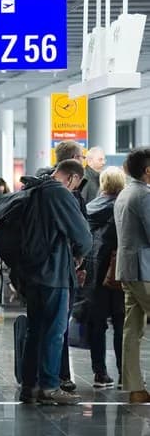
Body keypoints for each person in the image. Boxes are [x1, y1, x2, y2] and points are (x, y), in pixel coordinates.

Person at [20, 160, 91, 405]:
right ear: (72, 178)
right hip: (55, 272)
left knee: (34, 329)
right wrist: (80, 255)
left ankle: (29, 386)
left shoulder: (32, 188)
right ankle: (49, 386)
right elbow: (82, 235)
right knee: (54, 331)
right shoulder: (59, 193)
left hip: (31, 272)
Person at [80, 167, 125, 389]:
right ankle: (124, 374)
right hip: (116, 272)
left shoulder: (89, 207)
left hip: (93, 272)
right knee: (121, 324)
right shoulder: (120, 208)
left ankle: (100, 373)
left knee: (96, 325)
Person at [114, 149, 150, 404]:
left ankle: (135, 387)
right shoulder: (144, 195)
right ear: (148, 171)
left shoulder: (125, 192)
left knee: (132, 329)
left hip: (128, 269)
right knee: (132, 329)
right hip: (145, 270)